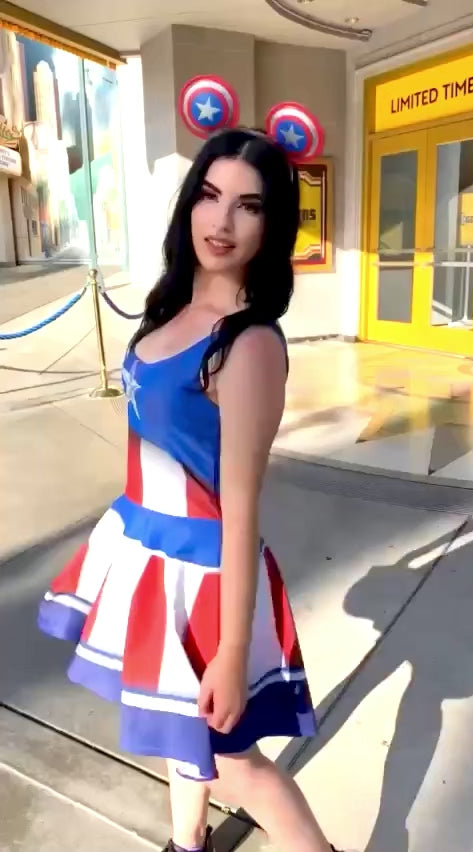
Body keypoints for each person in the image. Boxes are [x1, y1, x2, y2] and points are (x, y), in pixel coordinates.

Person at [38, 128, 352, 852]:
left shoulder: (248, 345)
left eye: (248, 206)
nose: (222, 221)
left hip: (206, 577)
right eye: (210, 197)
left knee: (236, 764)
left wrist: (233, 648)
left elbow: (241, 507)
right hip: (147, 551)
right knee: (183, 734)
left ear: (271, 226)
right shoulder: (167, 311)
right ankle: (188, 844)